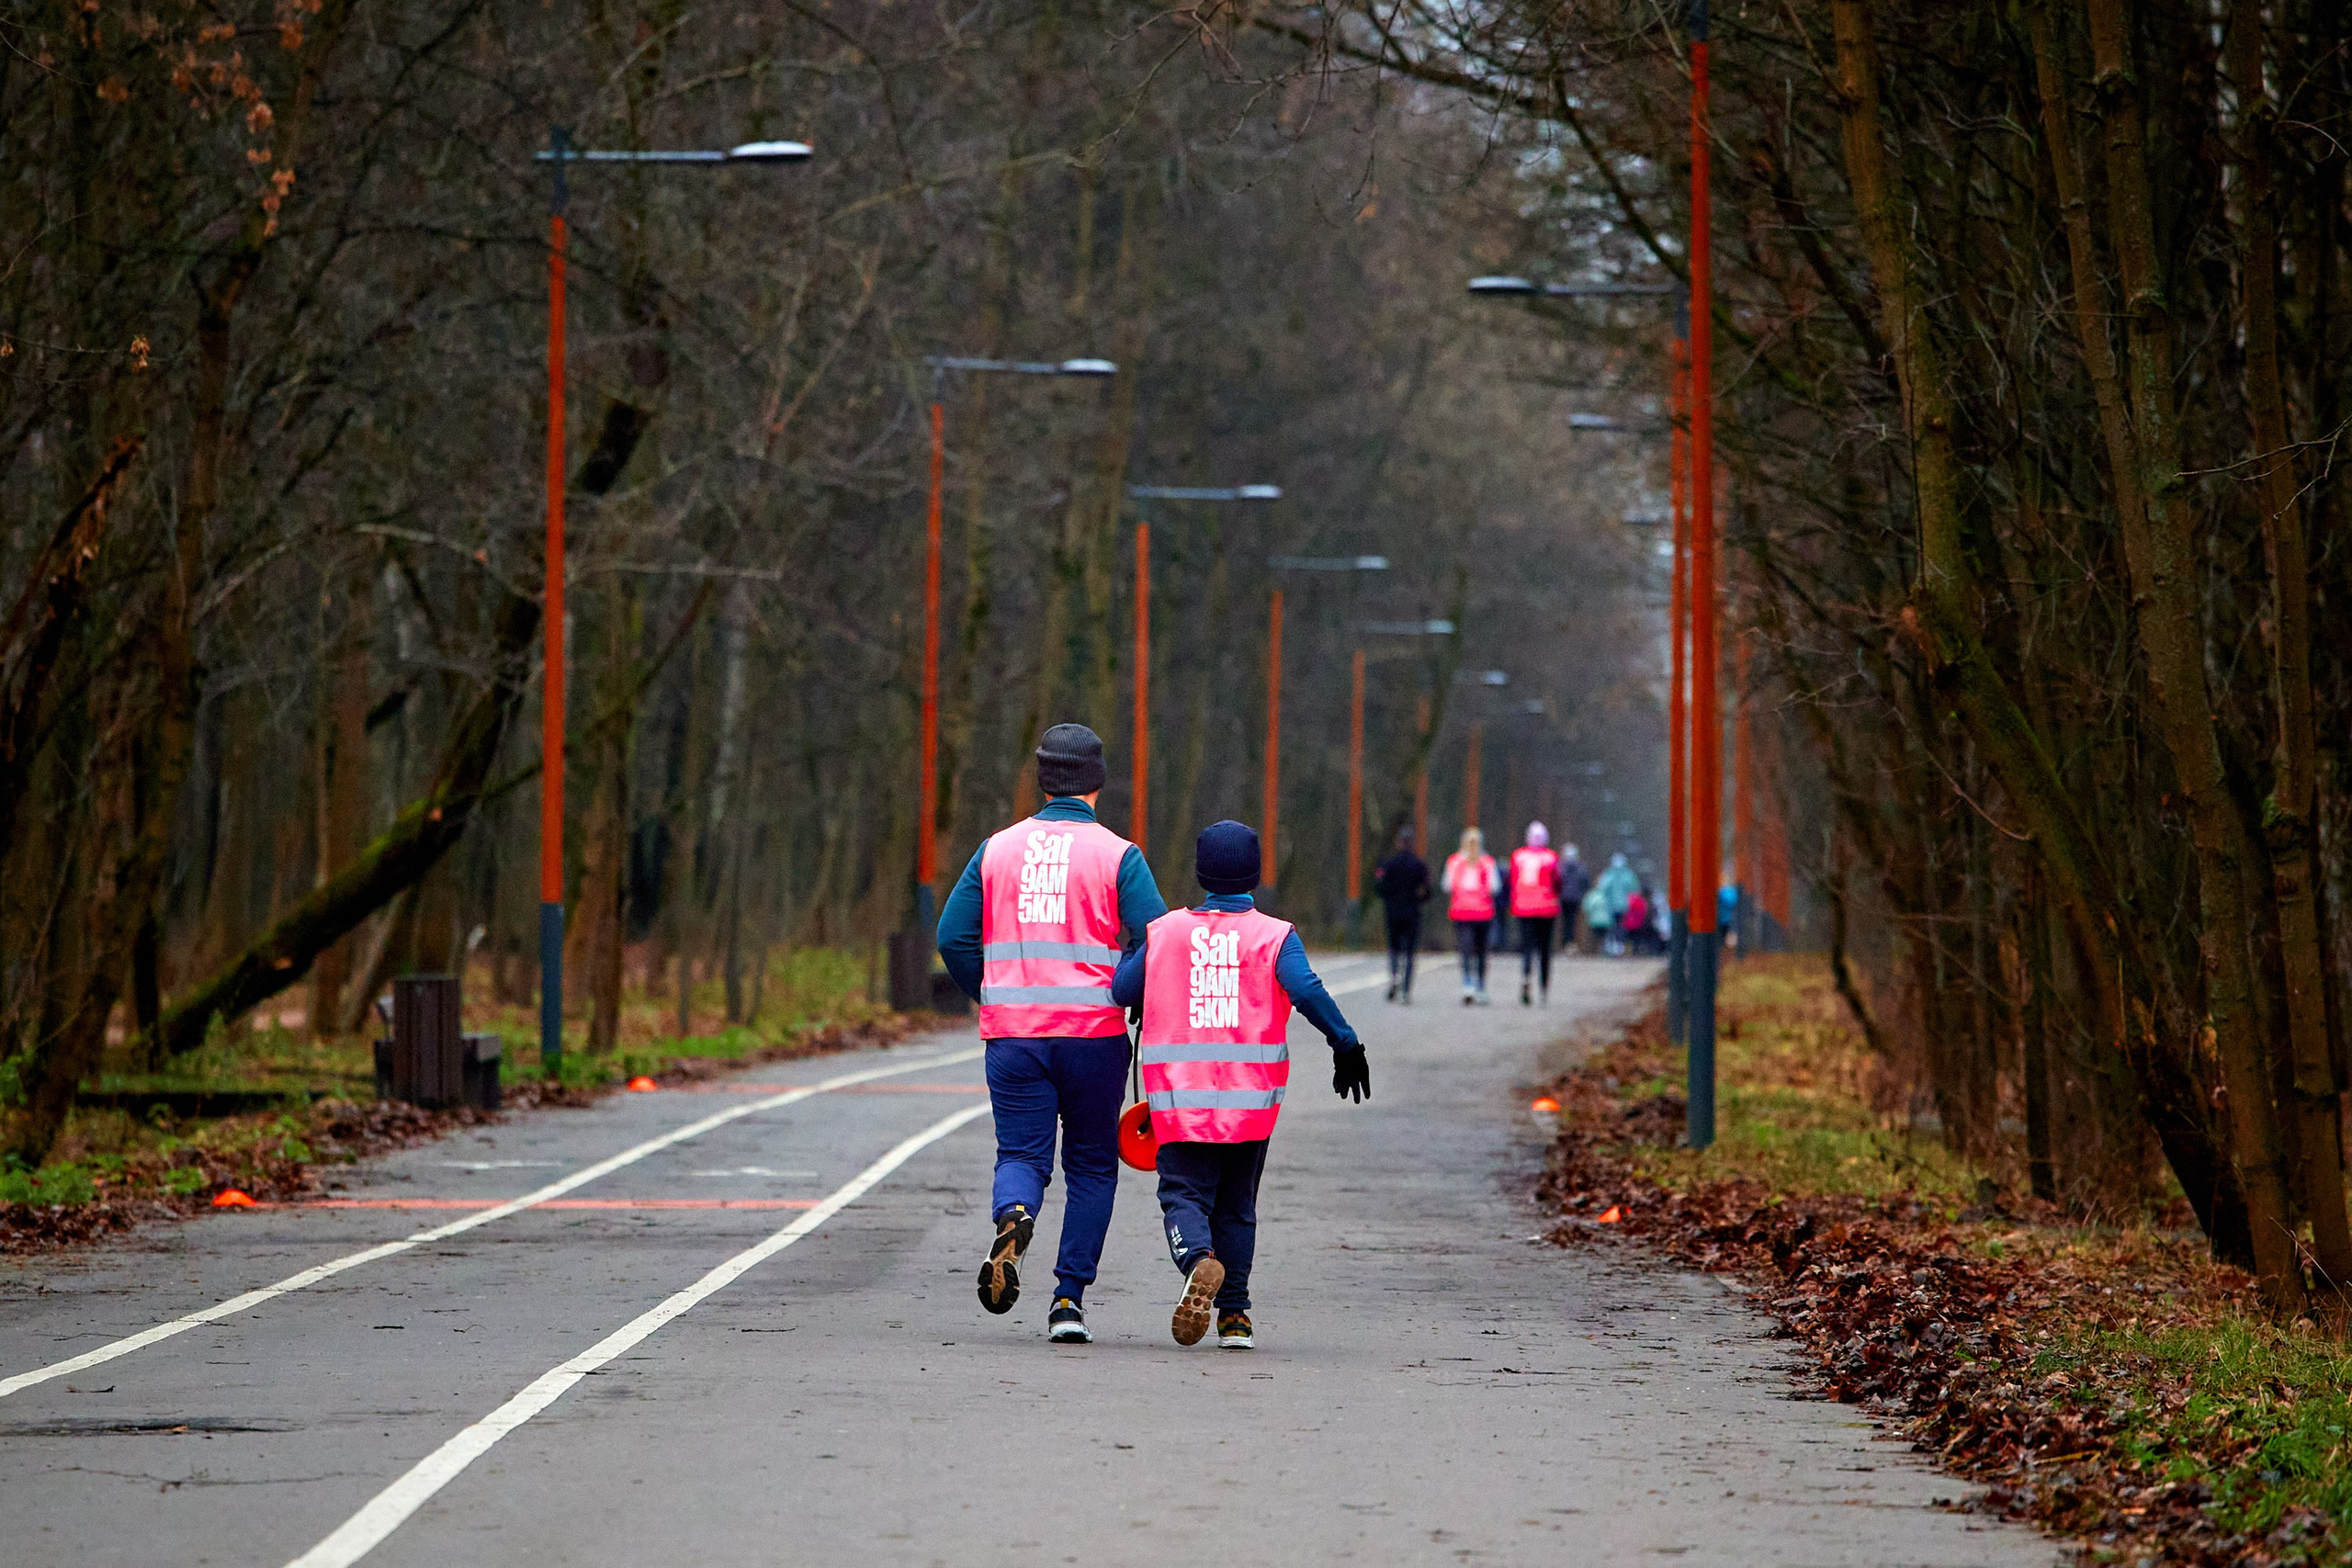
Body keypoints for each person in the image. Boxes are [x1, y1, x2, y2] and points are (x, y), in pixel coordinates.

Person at [937, 722, 1168, 1346]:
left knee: (1020, 1155)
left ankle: (1014, 1216)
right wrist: (1131, 991)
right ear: (1097, 782)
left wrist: (991, 990)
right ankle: (1068, 1299)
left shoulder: (996, 849)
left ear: (1043, 779)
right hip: (1093, 1035)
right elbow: (1159, 941)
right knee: (1091, 1165)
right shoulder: (1119, 855)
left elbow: (951, 935)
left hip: (1014, 1033)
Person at [1112, 820, 1369, 1349]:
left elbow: (1121, 990)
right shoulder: (1274, 935)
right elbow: (1306, 990)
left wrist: (1136, 952)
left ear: (1200, 872)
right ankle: (1235, 1318)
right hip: (1251, 1103)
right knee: (1237, 1204)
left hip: (1180, 1100)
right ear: (1254, 873)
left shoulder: (1166, 932)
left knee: (1183, 1193)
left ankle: (1199, 1261)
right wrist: (1344, 1043)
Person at [1371, 826, 1432, 1002]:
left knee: (1394, 948)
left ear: (1398, 843)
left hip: (1392, 912)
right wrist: (1418, 900)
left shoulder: (1388, 865)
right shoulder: (1419, 865)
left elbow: (1378, 887)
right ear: (1413, 844)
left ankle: (1394, 976)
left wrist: (1389, 898)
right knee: (1410, 951)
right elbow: (1428, 891)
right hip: (1412, 912)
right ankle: (1406, 989)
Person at [1442, 827, 1501, 1005]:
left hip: (1461, 912)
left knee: (1465, 950)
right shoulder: (1487, 862)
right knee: (1482, 951)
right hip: (1483, 912)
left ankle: (1468, 984)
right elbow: (1495, 887)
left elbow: (1446, 885)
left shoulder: (1454, 861)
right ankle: (1481, 986)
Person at [1508, 821, 1563, 1006]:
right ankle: (1543, 987)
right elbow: (1557, 881)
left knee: (1527, 947)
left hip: (1523, 907)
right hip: (1547, 908)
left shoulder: (1518, 856)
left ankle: (1526, 978)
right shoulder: (1551, 857)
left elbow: (1512, 881)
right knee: (1545, 948)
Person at [1593, 852, 1639, 957]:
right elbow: (1634, 889)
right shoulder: (1628, 874)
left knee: (1613, 926)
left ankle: (1614, 944)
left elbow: (1602, 888)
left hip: (1611, 906)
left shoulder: (1608, 874)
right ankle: (1618, 944)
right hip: (1623, 906)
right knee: (1620, 925)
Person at [1558, 843, 1592, 953]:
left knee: (1565, 921)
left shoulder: (1560, 867)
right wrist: (1581, 894)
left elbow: (1557, 881)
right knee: (1572, 922)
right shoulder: (1581, 868)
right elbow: (1586, 883)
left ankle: (1565, 944)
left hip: (1563, 898)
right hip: (1576, 899)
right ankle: (1570, 944)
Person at [1623, 883, 1652, 956]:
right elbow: (1645, 913)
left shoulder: (1631, 899)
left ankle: (1628, 951)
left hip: (1629, 924)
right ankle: (1635, 951)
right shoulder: (1642, 902)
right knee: (1636, 938)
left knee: (1628, 938)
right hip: (1638, 924)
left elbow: (1626, 910)